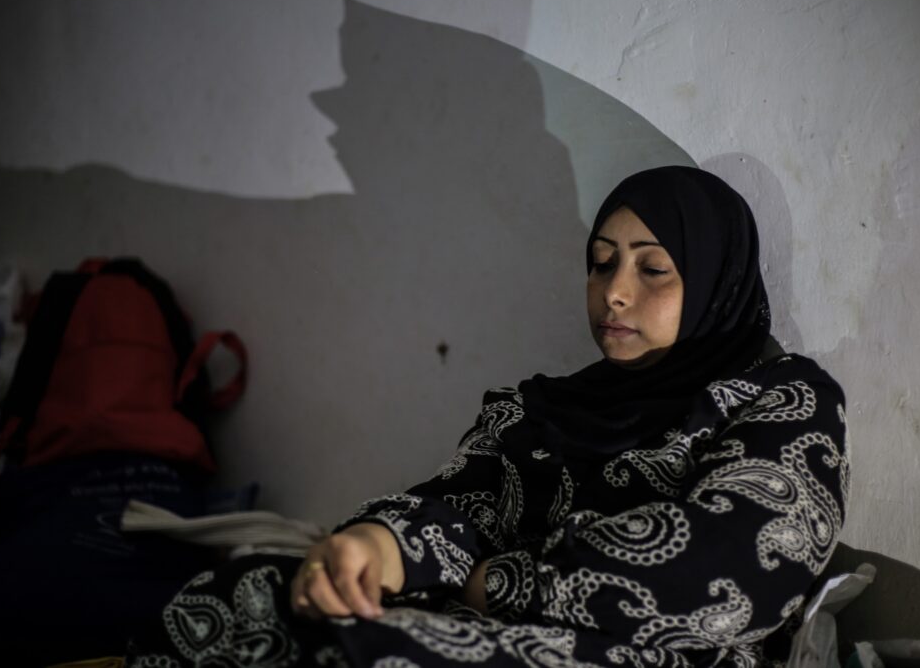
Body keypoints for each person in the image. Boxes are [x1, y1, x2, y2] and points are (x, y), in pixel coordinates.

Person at [126, 166, 849, 667]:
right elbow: (461, 508)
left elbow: (736, 565)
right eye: (600, 264)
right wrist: (372, 548)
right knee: (246, 593)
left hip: (656, 649)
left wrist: (503, 583)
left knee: (386, 653)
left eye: (652, 269)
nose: (614, 294)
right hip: (492, 624)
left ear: (715, 276)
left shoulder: (780, 399)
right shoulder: (547, 409)